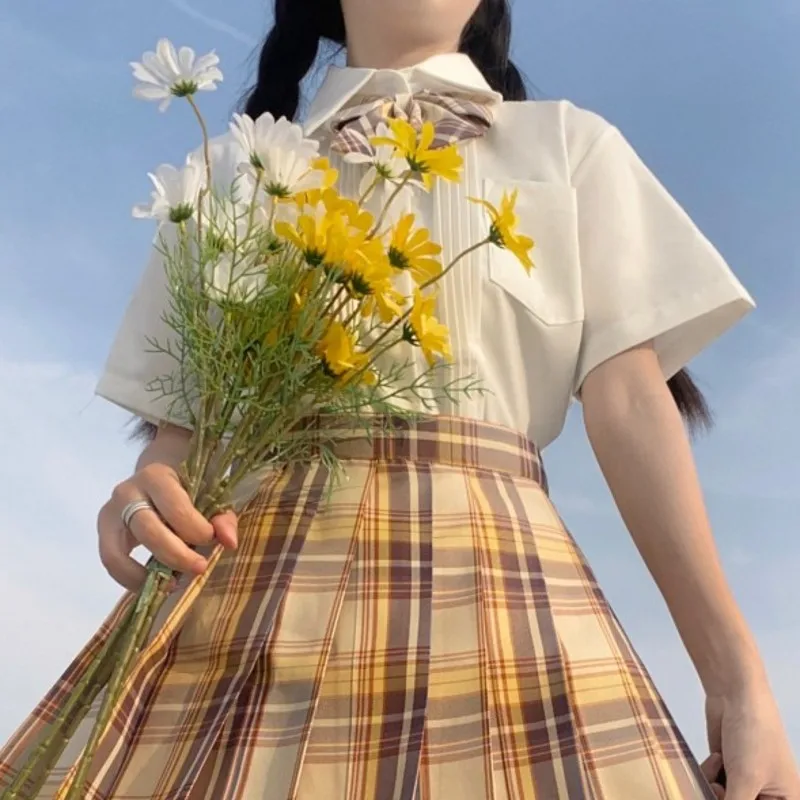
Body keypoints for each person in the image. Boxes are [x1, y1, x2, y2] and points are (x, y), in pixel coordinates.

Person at [2, 1, 798, 798]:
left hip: (503, 603)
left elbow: (629, 407)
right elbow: (182, 429)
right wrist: (149, 490)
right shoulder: (230, 172)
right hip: (250, 594)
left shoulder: (569, 146)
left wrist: (738, 681)